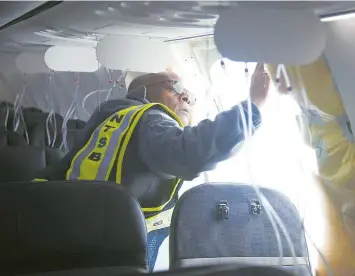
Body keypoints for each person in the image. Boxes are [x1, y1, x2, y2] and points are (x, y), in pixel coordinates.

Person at [33, 63, 271, 271]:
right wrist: (253, 108)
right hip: (117, 248)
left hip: (69, 233)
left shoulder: (112, 120)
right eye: (176, 88)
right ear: (143, 92)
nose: (186, 97)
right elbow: (188, 153)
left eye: (189, 94)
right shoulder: (150, 118)